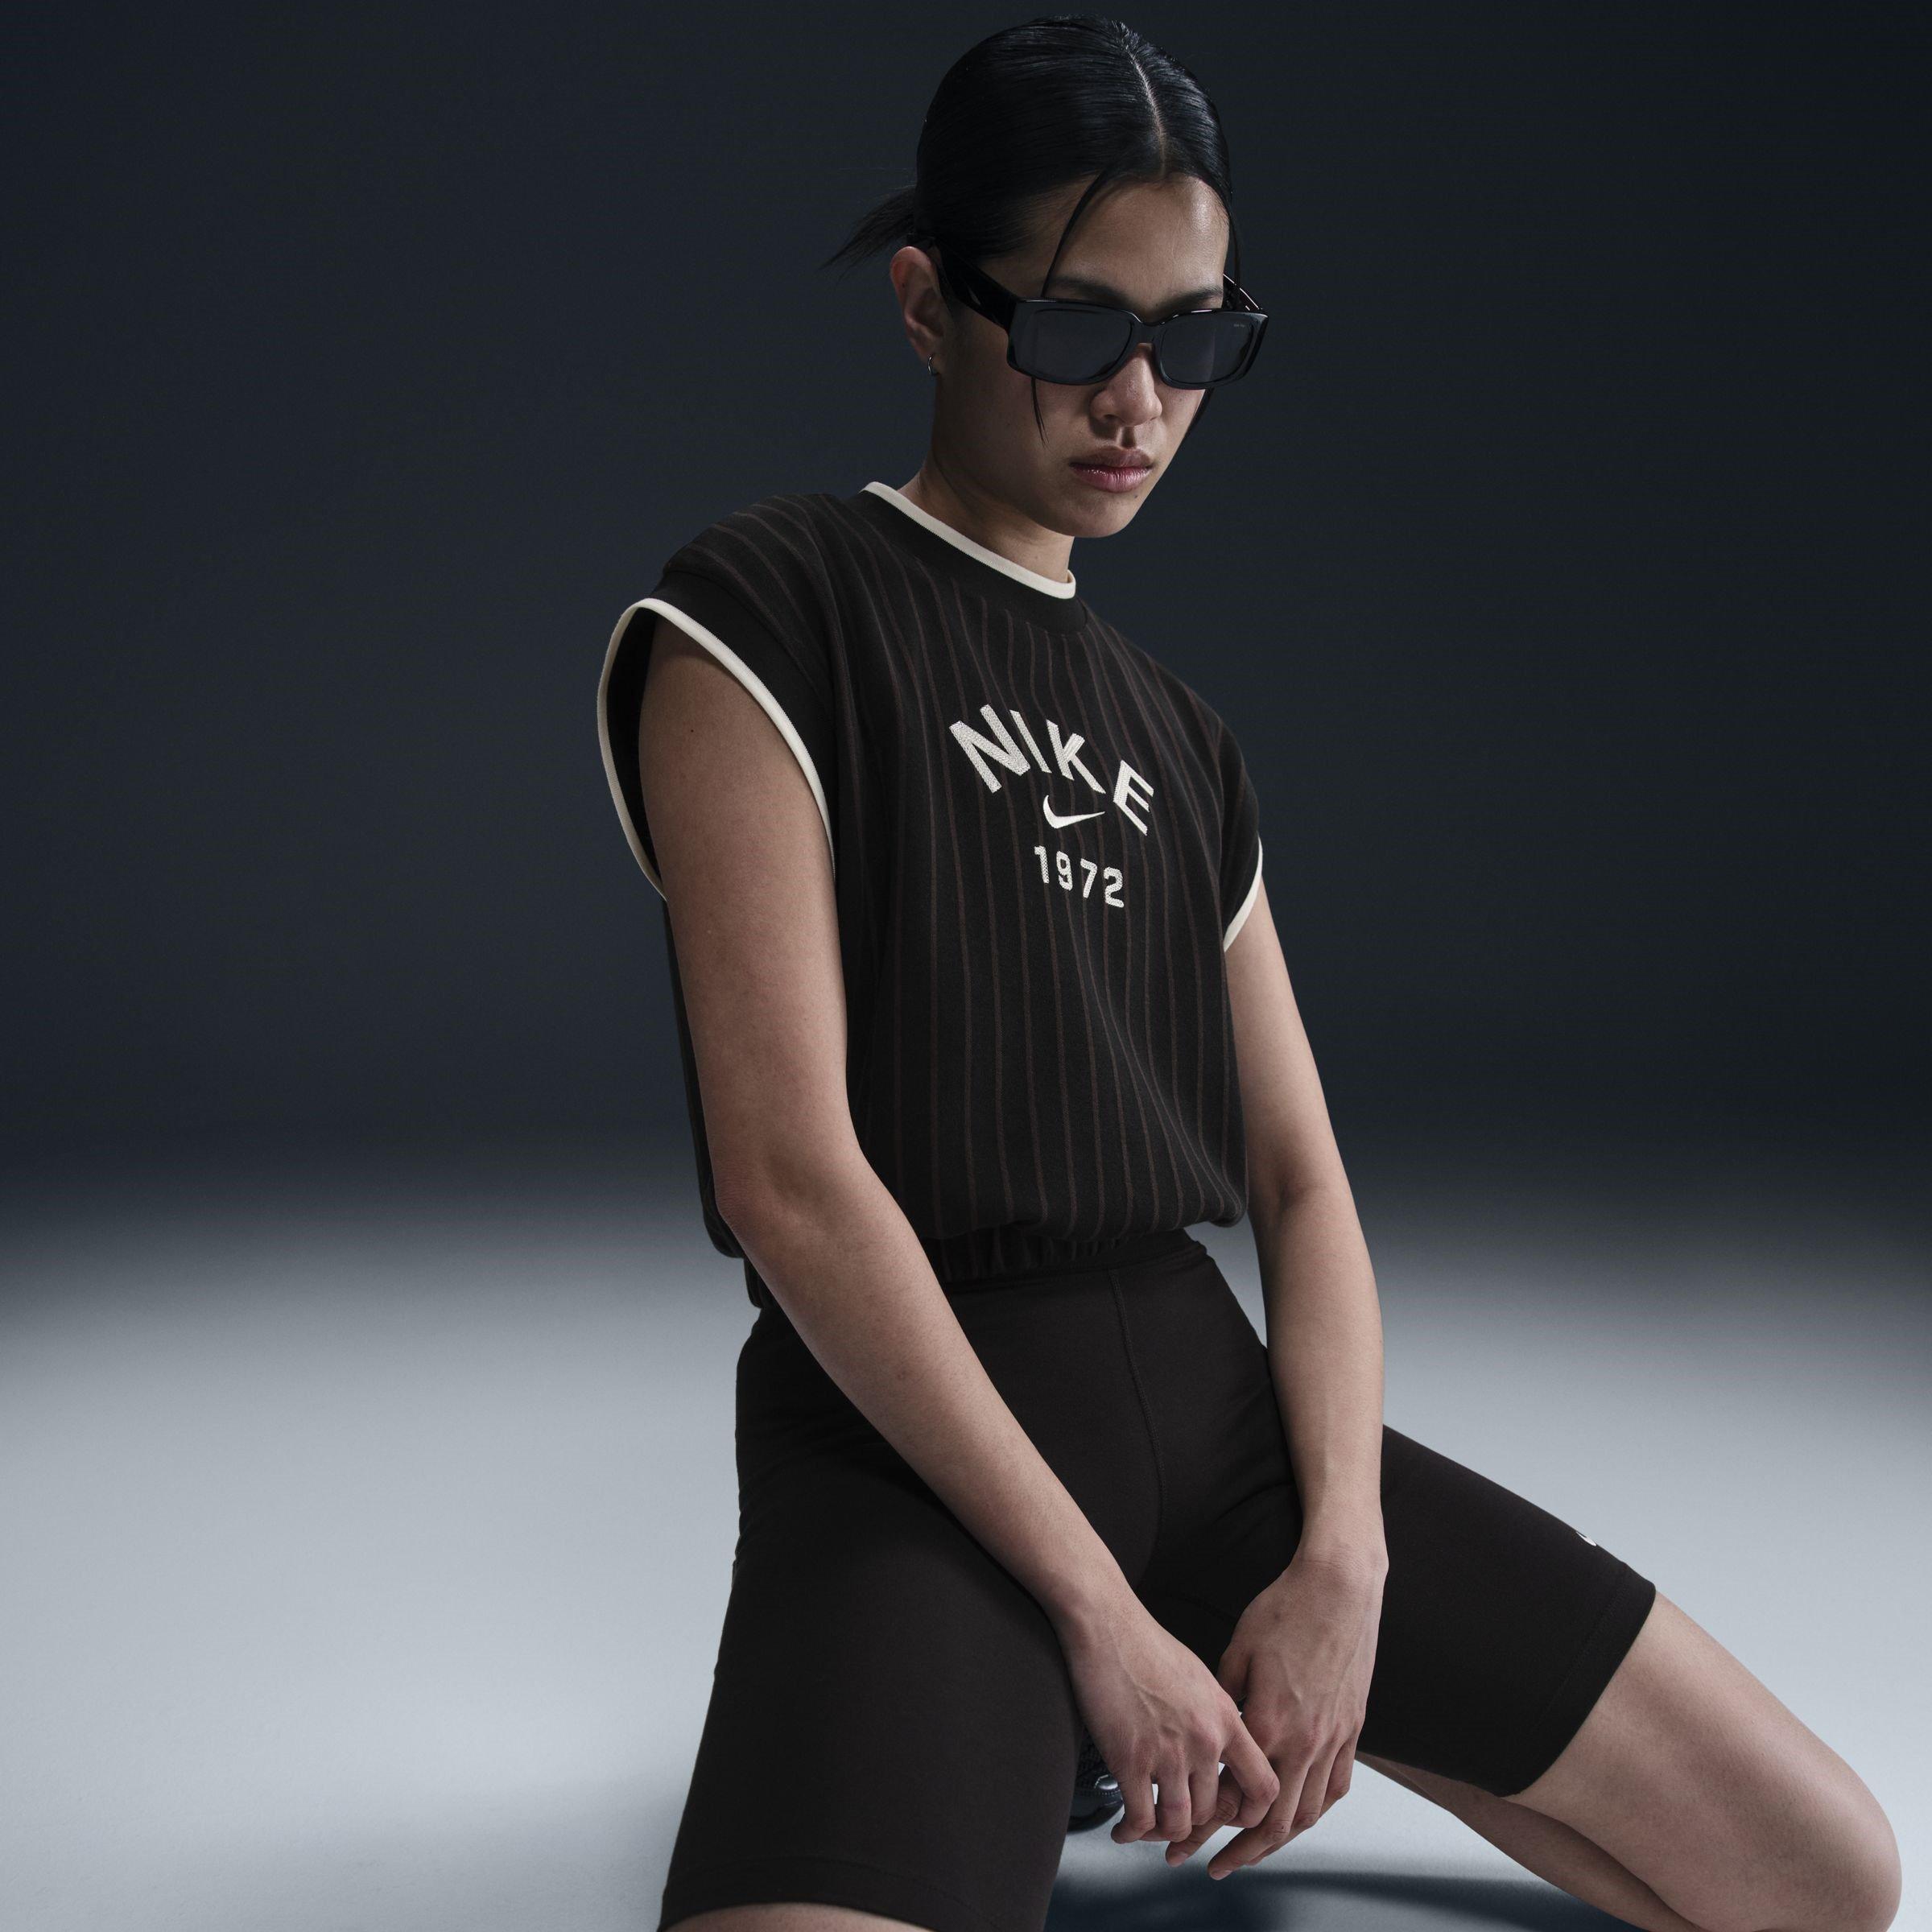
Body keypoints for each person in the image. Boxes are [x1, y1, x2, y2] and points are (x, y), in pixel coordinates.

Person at [594, 19, 1900, 1932]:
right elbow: (787, 1177)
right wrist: (1096, 1613)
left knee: (1828, 1877)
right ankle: (1062, 1709)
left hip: (1217, 1442)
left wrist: (1344, 1566)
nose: (1137, 401)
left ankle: (1190, 1700)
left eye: (1193, 341)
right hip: (913, 1458)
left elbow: (1300, 1183)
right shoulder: (763, 614)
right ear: (929, 307)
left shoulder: (1182, 739)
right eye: (1075, 328)